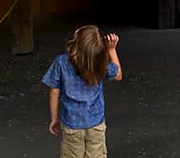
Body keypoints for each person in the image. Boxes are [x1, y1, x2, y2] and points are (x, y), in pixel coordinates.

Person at [42, 25, 122, 157]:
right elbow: (118, 75)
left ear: (76, 43)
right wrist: (112, 50)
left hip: (71, 124)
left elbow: (54, 92)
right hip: (96, 123)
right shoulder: (99, 63)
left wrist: (54, 118)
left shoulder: (61, 62)